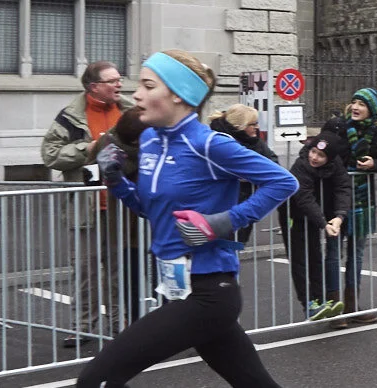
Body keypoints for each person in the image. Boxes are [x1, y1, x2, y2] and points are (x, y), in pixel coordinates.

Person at [79, 49, 294, 387]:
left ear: (178, 94)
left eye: (148, 86)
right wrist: (116, 180)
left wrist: (222, 222)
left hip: (208, 293)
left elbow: (283, 181)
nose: (136, 94)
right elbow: (148, 210)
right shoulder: (149, 141)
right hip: (174, 286)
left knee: (98, 378)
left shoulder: (209, 145)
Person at [41, 61, 138, 347]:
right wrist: (90, 148)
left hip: (124, 205)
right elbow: (51, 155)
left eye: (120, 80)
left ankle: (121, 323)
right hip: (86, 207)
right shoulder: (71, 116)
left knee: (120, 268)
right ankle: (83, 326)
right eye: (112, 81)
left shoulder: (129, 111)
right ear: (93, 86)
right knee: (86, 269)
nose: (119, 85)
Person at [322, 88, 377, 325]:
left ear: (372, 109)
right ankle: (333, 308)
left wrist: (375, 163)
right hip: (335, 198)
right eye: (354, 102)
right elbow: (322, 155)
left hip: (362, 201)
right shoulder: (336, 127)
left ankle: (352, 306)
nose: (356, 107)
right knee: (332, 253)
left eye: (362, 103)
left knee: (356, 254)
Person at [281, 132, 351, 324]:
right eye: (313, 152)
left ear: (330, 158)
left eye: (320, 156)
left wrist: (339, 216)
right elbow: (304, 198)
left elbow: (343, 188)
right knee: (300, 260)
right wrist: (323, 223)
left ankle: (321, 301)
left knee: (316, 258)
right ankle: (308, 304)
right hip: (294, 215)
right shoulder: (300, 166)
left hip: (317, 216)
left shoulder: (336, 165)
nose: (314, 157)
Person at [207, 104, 277, 243]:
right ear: (240, 126)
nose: (257, 127)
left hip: (245, 205)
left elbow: (274, 163)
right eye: (254, 124)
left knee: (237, 246)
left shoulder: (256, 142)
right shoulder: (218, 141)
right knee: (222, 247)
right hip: (220, 206)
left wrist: (252, 175)